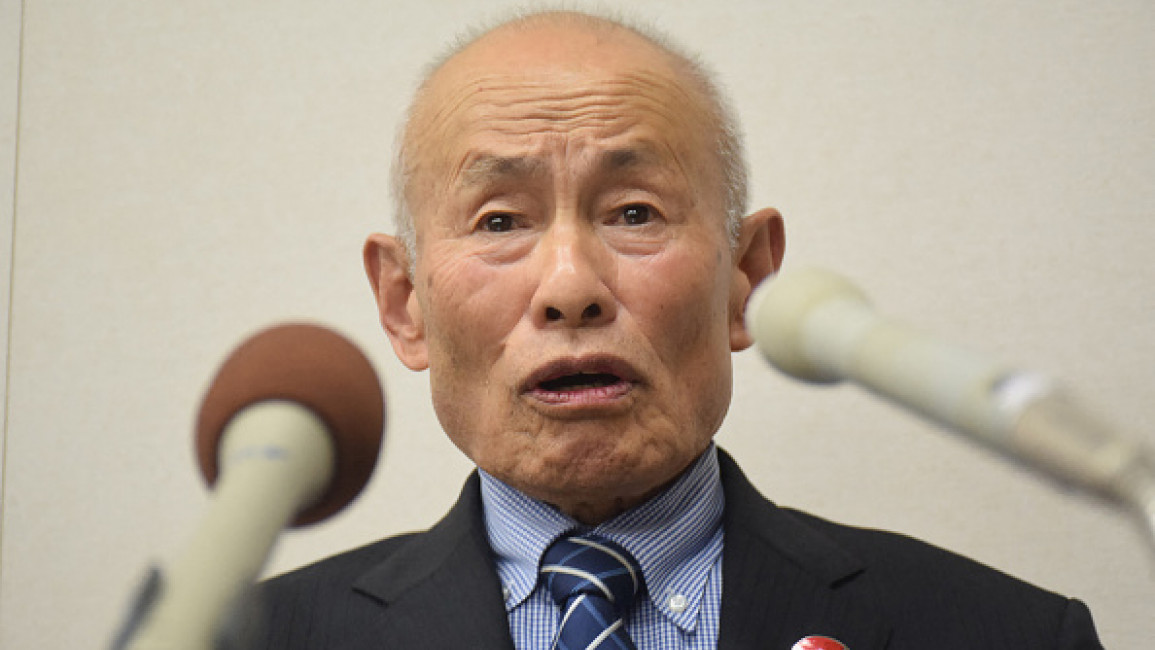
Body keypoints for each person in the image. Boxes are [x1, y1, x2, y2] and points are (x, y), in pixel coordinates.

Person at [252, 10, 1103, 649]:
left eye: (633, 211)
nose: (569, 287)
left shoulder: (1006, 633)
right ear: (405, 303)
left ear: (746, 279)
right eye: (500, 221)